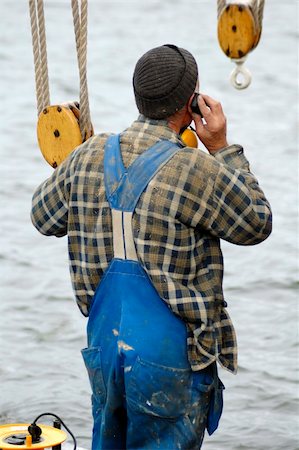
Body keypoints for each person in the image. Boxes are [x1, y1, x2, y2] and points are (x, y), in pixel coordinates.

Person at [31, 44, 272, 449]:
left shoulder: (88, 154)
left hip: (106, 350)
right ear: (191, 101)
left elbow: (43, 216)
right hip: (169, 359)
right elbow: (256, 222)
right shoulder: (197, 169)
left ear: (137, 95)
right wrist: (221, 148)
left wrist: (75, 157)